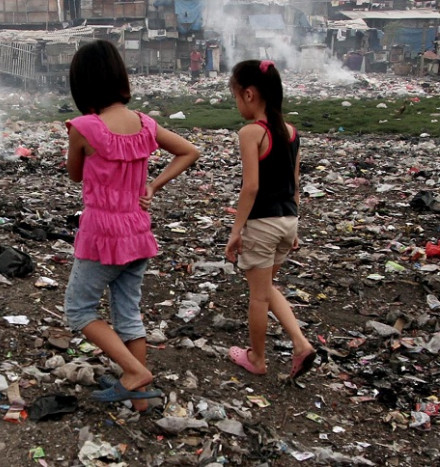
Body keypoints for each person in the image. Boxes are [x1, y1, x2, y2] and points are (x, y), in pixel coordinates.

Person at [64, 40, 200, 410]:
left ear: (83, 85)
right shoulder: (144, 123)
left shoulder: (84, 127)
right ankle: (140, 401)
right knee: (127, 313)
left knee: (78, 310)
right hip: (138, 232)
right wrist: (154, 184)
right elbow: (190, 151)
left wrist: (76, 143)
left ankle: (134, 372)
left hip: (102, 236)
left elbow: (75, 176)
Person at [224, 60, 315, 380]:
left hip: (262, 224)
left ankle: (257, 358)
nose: (236, 102)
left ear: (249, 94)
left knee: (258, 296)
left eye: (235, 95)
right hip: (287, 221)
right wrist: (294, 224)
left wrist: (236, 231)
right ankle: (301, 344)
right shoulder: (291, 133)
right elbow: (295, 182)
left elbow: (251, 186)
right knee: (265, 286)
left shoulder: (251, 133)